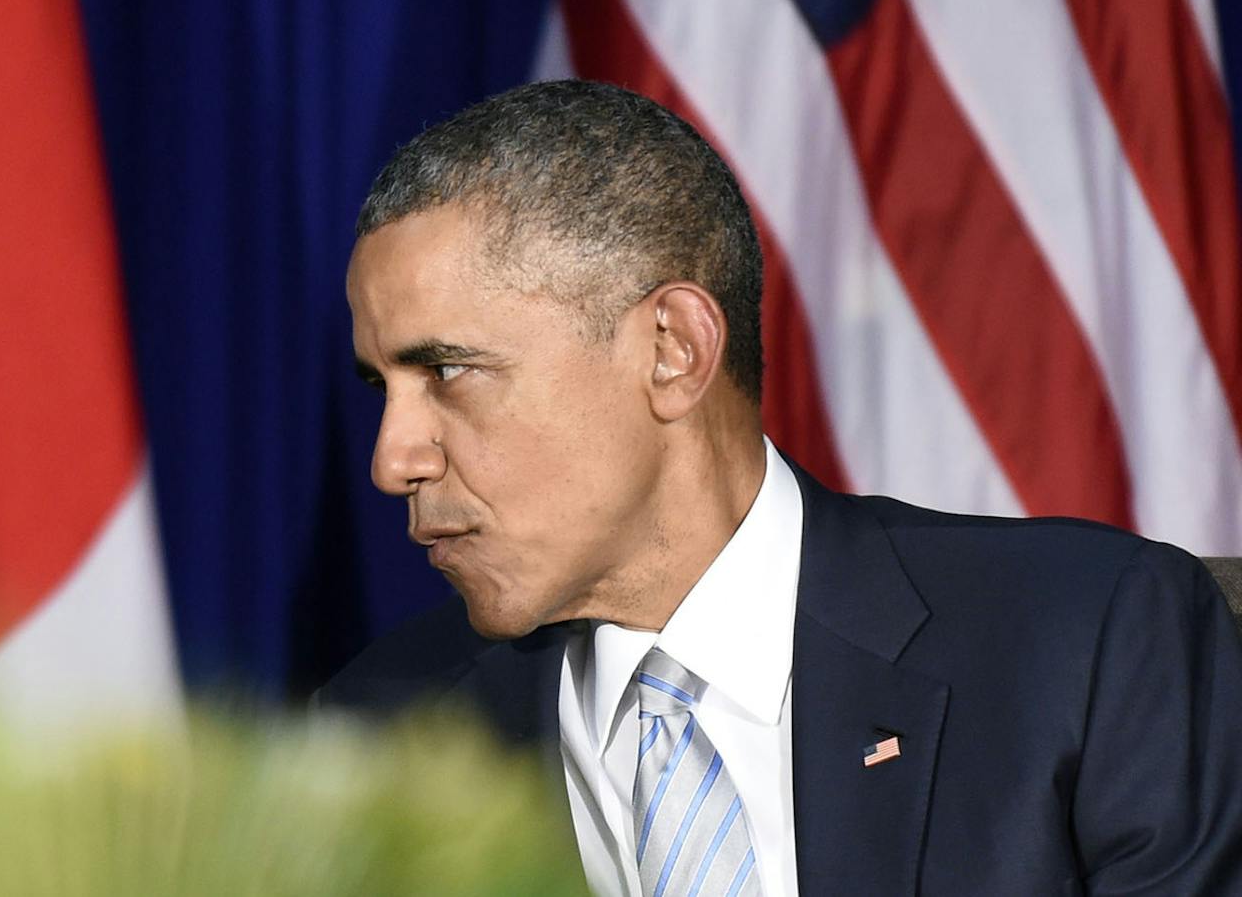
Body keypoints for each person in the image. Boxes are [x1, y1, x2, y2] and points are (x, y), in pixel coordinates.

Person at [318, 80, 1242, 894]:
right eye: (381, 390)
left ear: (673, 351)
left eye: (447, 371)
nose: (394, 459)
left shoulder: (1088, 642)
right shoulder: (380, 739)